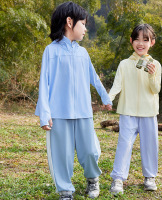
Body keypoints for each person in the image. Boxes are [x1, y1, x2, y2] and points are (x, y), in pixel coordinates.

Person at [35, 2, 112, 200]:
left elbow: (94, 77)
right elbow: (44, 83)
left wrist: (105, 97)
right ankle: (65, 190)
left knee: (90, 151)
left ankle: (92, 179)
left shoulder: (83, 53)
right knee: (62, 155)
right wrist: (45, 114)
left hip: (84, 112)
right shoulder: (50, 51)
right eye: (83, 24)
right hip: (59, 114)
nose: (86, 29)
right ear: (70, 22)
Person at [109, 24, 162, 195]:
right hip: (128, 112)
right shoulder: (124, 64)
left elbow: (155, 89)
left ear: (152, 42)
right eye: (137, 39)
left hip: (149, 113)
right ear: (131, 41)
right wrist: (108, 99)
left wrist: (152, 75)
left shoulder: (156, 64)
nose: (141, 43)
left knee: (150, 146)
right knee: (124, 145)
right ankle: (118, 179)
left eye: (145, 40)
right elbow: (117, 86)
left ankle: (149, 177)